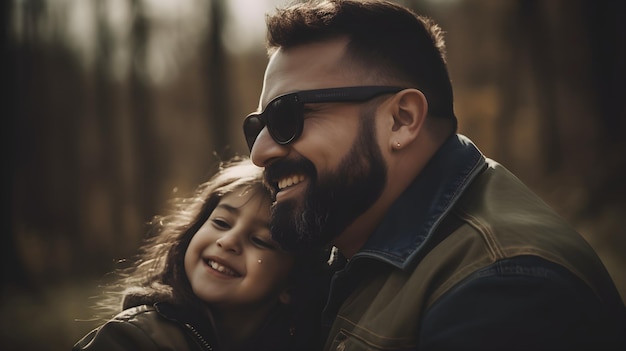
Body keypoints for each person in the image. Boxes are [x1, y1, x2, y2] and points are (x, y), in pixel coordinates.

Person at [242, 0, 626, 350]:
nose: (260, 153)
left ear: (401, 120)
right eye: (256, 127)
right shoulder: (342, 247)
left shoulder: (502, 288)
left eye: (286, 117)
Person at [72, 157, 328, 351]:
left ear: (292, 285)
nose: (228, 242)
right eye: (221, 223)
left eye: (259, 240)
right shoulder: (134, 339)